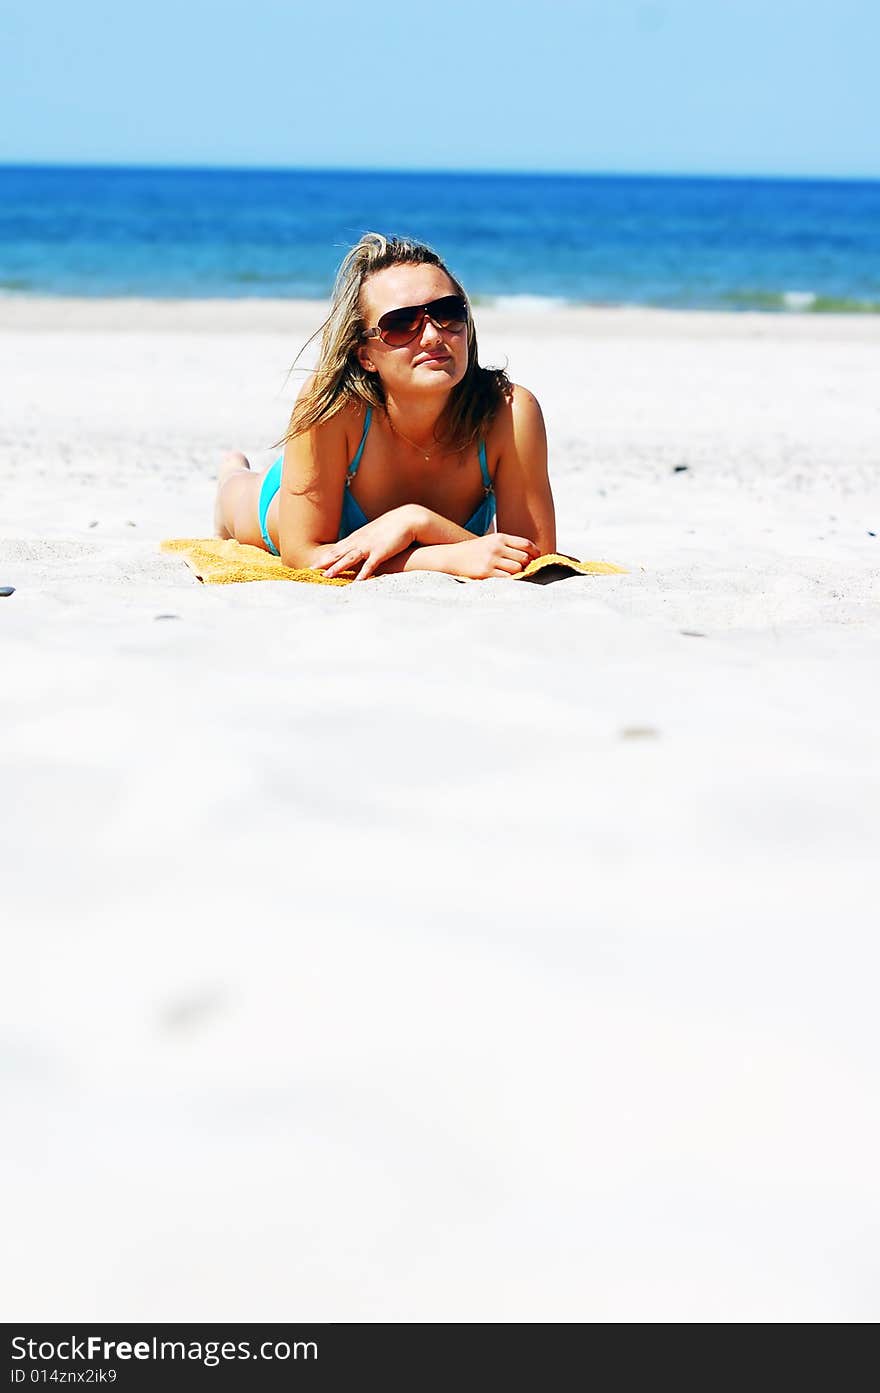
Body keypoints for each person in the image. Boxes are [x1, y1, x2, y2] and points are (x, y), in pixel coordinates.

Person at [213, 232, 556, 581]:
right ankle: (231, 470)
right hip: (295, 490)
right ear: (365, 355)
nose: (433, 336)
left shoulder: (511, 413)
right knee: (237, 500)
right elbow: (304, 557)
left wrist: (417, 524)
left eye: (447, 312)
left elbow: (536, 560)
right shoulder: (333, 405)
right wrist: (425, 536)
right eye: (401, 324)